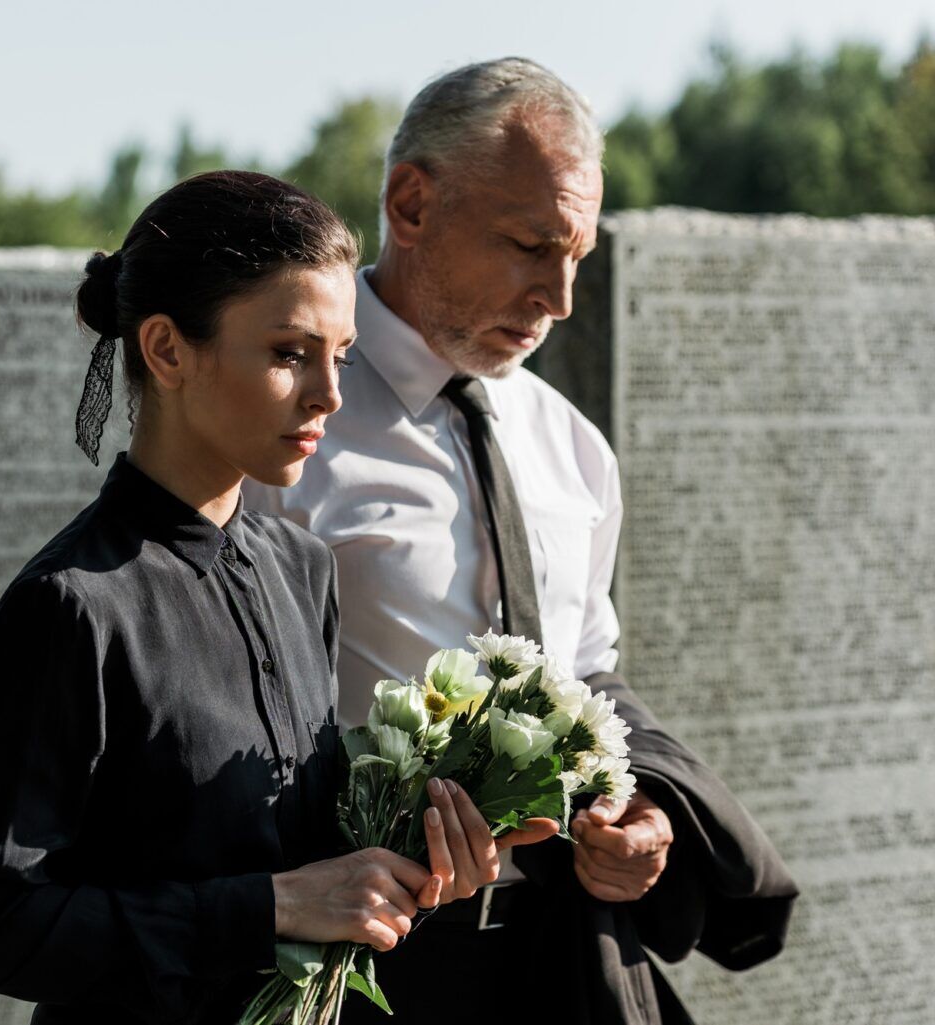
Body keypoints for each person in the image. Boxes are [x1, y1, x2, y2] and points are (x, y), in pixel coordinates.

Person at [0, 170, 556, 1025]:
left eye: (342, 356)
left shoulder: (302, 566)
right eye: (290, 353)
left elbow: (295, 857)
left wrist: (417, 851)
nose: (330, 394)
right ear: (168, 349)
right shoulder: (72, 608)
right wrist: (266, 909)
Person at [244, 60, 798, 1025]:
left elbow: (590, 677)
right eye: (531, 244)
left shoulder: (571, 446)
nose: (560, 295)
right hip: (375, 973)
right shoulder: (287, 432)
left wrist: (641, 816)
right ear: (411, 204)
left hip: (567, 962)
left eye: (576, 253)